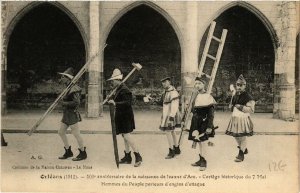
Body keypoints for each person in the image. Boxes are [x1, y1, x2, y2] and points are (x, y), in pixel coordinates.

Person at [107, 68, 142, 167]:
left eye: (113, 81)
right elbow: (116, 99)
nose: (112, 82)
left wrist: (115, 103)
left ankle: (138, 156)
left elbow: (127, 103)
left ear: (118, 80)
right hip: (121, 115)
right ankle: (127, 157)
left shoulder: (125, 89)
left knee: (127, 136)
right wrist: (111, 98)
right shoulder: (118, 89)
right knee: (124, 136)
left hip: (126, 116)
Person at [57, 67, 87, 161]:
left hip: (72, 114)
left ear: (68, 78)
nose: (62, 79)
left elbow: (77, 103)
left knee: (76, 134)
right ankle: (68, 151)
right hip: (66, 114)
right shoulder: (68, 88)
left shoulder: (74, 88)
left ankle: (83, 153)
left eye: (63, 77)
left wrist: (63, 103)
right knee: (61, 132)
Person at [188, 75, 216, 171]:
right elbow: (193, 110)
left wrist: (209, 126)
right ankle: (200, 159)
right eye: (196, 83)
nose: (197, 85)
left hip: (204, 123)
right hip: (196, 122)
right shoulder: (196, 96)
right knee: (199, 141)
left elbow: (211, 114)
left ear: (204, 85)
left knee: (203, 142)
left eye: (199, 83)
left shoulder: (208, 97)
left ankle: (204, 161)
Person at [225, 74, 255, 162]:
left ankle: (241, 154)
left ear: (244, 86)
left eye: (241, 85)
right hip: (235, 118)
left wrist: (240, 107)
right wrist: (231, 105)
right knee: (235, 136)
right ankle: (244, 148)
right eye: (237, 85)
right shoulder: (235, 95)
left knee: (242, 136)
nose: (239, 87)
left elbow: (251, 110)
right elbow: (232, 106)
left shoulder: (248, 96)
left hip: (243, 119)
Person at [159, 77, 181, 159]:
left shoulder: (173, 92)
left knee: (168, 132)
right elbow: (162, 102)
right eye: (162, 82)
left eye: (165, 82)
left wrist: (171, 117)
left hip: (170, 114)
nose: (163, 84)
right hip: (166, 114)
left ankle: (171, 151)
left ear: (169, 82)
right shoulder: (166, 91)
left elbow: (175, 105)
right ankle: (177, 148)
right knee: (172, 131)